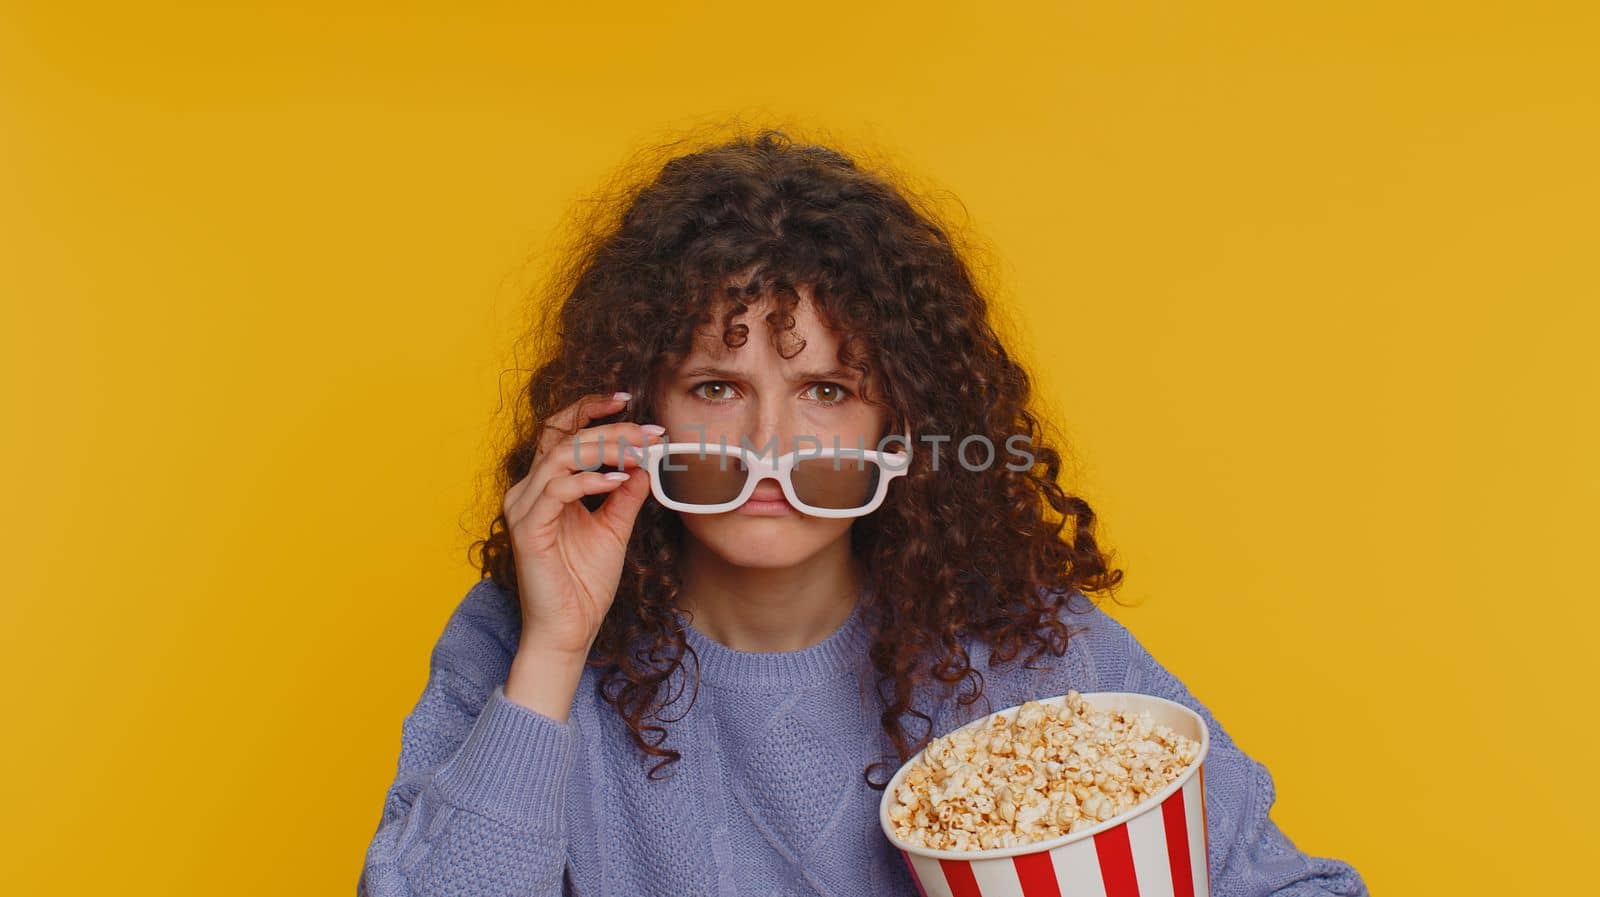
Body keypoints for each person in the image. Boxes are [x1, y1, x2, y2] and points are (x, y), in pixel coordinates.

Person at [357, 129, 1369, 896]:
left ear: (902, 424)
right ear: (636, 404)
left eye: (827, 393)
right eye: (715, 386)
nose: (767, 443)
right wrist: (555, 647)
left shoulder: (1030, 655)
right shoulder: (517, 646)